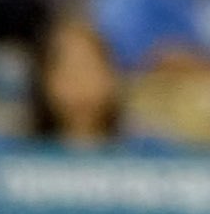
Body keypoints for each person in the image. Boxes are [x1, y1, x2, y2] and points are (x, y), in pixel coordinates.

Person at [27, 12, 134, 145]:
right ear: (45, 80)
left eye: (89, 69)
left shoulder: (148, 153)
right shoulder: (17, 152)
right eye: (68, 74)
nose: (80, 85)